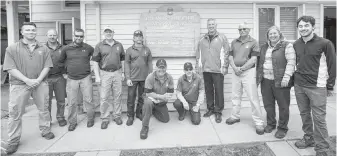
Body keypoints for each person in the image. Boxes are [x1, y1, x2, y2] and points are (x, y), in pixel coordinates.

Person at [3, 22, 55, 154]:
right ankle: (13, 140)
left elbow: (47, 66)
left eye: (33, 30)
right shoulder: (12, 48)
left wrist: (37, 80)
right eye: (28, 30)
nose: (31, 32)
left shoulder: (43, 49)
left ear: (36, 32)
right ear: (22, 32)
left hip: (40, 83)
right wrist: (26, 80)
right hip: (19, 85)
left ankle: (45, 130)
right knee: (15, 113)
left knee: (44, 109)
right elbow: (10, 68)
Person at [293, 15, 336, 156]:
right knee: (304, 114)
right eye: (301, 26)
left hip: (317, 87)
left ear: (313, 27)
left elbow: (332, 65)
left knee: (319, 118)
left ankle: (322, 148)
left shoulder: (325, 43)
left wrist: (330, 85)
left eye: (306, 26)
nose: (303, 28)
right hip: (299, 85)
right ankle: (309, 138)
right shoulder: (296, 44)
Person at [256, 26, 296, 139]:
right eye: (270, 34)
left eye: (275, 33)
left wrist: (286, 77)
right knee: (268, 105)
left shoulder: (287, 46)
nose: (272, 36)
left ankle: (282, 128)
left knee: (283, 105)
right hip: (266, 81)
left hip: (281, 81)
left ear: (279, 34)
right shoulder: (264, 47)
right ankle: (271, 124)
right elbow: (260, 63)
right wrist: (258, 79)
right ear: (267, 36)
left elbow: (291, 62)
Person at [225, 22, 265, 135]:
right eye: (240, 29)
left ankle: (258, 122)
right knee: (235, 95)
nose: (242, 31)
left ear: (249, 30)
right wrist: (234, 67)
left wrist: (241, 69)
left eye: (244, 29)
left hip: (248, 72)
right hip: (235, 71)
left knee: (253, 97)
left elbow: (253, 59)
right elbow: (230, 56)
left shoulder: (254, 42)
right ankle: (235, 116)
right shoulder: (234, 42)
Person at [59, 28, 96, 131]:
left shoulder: (88, 48)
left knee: (88, 100)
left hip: (86, 77)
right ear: (73, 36)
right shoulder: (66, 48)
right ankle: (72, 122)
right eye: (77, 36)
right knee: (71, 102)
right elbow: (60, 62)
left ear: (83, 37)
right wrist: (64, 73)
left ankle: (90, 119)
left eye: (81, 36)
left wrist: (93, 70)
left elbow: (96, 59)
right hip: (71, 79)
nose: (79, 38)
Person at [195, 18, 229, 123]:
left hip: (218, 70)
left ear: (216, 25)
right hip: (206, 69)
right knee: (208, 90)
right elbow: (198, 54)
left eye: (213, 24)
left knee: (218, 91)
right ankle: (210, 108)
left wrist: (225, 66)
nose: (211, 26)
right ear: (207, 26)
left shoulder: (222, 38)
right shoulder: (202, 39)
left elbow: (226, 53)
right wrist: (198, 66)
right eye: (209, 24)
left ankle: (218, 111)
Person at [92, 27, 125, 129]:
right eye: (106, 32)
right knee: (104, 97)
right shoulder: (99, 45)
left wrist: (123, 72)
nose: (108, 33)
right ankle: (105, 118)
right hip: (104, 73)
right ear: (103, 33)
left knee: (117, 96)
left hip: (117, 73)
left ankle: (117, 116)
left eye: (110, 32)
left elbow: (123, 59)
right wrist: (97, 76)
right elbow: (95, 62)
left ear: (113, 33)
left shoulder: (119, 45)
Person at [140, 59, 174, 139]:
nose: (161, 69)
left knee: (166, 120)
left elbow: (171, 92)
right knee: (148, 103)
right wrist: (161, 96)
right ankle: (145, 127)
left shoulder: (169, 77)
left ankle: (153, 111)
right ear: (156, 67)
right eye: (159, 67)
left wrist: (166, 97)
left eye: (163, 67)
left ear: (166, 67)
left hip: (161, 102)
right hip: (151, 99)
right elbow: (148, 93)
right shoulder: (150, 77)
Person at [124, 30, 153, 126]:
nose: (138, 38)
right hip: (133, 78)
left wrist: (150, 75)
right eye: (136, 36)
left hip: (144, 78)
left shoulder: (147, 50)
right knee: (131, 98)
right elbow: (127, 64)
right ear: (133, 38)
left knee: (142, 98)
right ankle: (130, 116)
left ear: (142, 38)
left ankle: (138, 113)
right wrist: (128, 77)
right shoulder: (129, 50)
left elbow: (149, 62)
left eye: (140, 36)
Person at [45, 29, 67, 127]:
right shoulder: (42, 48)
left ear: (57, 36)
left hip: (60, 77)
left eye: (54, 35)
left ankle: (61, 117)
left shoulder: (64, 48)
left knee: (61, 100)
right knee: (47, 101)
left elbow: (67, 61)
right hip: (46, 78)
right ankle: (47, 120)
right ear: (47, 36)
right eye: (50, 35)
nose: (52, 37)